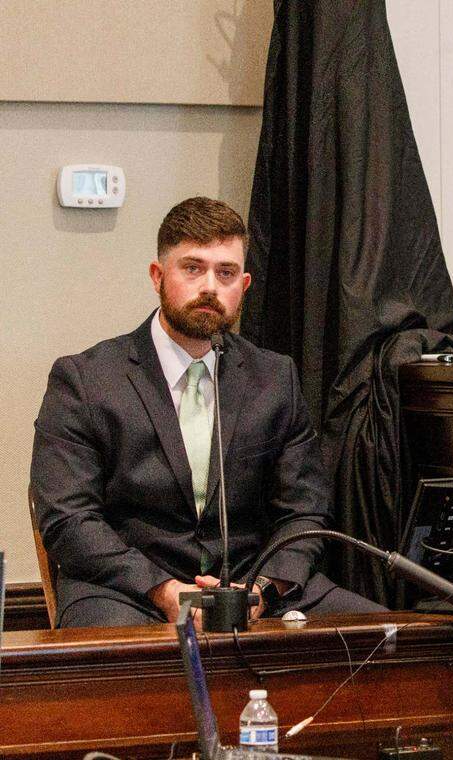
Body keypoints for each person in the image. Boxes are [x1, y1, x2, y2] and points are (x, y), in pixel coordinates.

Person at [31, 197, 384, 628]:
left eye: (226, 273)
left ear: (245, 285)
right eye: (192, 268)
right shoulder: (85, 380)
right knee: (118, 662)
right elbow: (68, 518)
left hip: (253, 588)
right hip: (128, 592)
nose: (210, 287)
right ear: (158, 276)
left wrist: (263, 588)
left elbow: (304, 510)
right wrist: (164, 590)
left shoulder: (274, 378)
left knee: (384, 640)